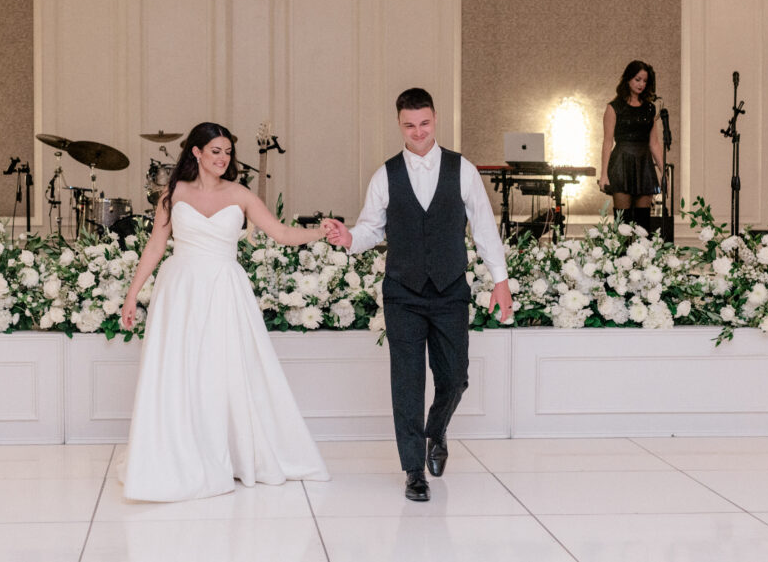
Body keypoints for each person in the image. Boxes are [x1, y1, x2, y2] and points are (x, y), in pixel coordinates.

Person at [118, 122, 331, 502]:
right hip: (180, 289)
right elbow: (155, 246)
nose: (222, 158)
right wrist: (133, 294)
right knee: (181, 370)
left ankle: (229, 453)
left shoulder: (240, 194)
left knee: (223, 369)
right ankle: (181, 452)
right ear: (196, 152)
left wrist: (321, 233)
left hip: (224, 288)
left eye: (228, 152)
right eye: (215, 150)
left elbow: (280, 233)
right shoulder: (173, 193)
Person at [323, 88, 512, 502]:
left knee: (455, 378)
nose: (418, 132)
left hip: (450, 290)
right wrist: (349, 237)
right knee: (406, 383)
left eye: (424, 123)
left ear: (436, 119)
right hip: (403, 293)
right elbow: (372, 229)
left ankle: (437, 430)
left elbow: (483, 227)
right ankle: (413, 470)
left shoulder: (462, 170)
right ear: (399, 125)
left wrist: (500, 280)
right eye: (409, 125)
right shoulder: (384, 175)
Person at [597, 60, 664, 229]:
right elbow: (607, 142)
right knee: (623, 223)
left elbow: (654, 143)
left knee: (643, 224)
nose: (641, 84)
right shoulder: (614, 107)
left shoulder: (649, 108)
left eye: (645, 81)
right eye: (637, 79)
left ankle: (643, 255)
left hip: (644, 165)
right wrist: (604, 174)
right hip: (621, 163)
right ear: (628, 79)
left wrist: (664, 172)